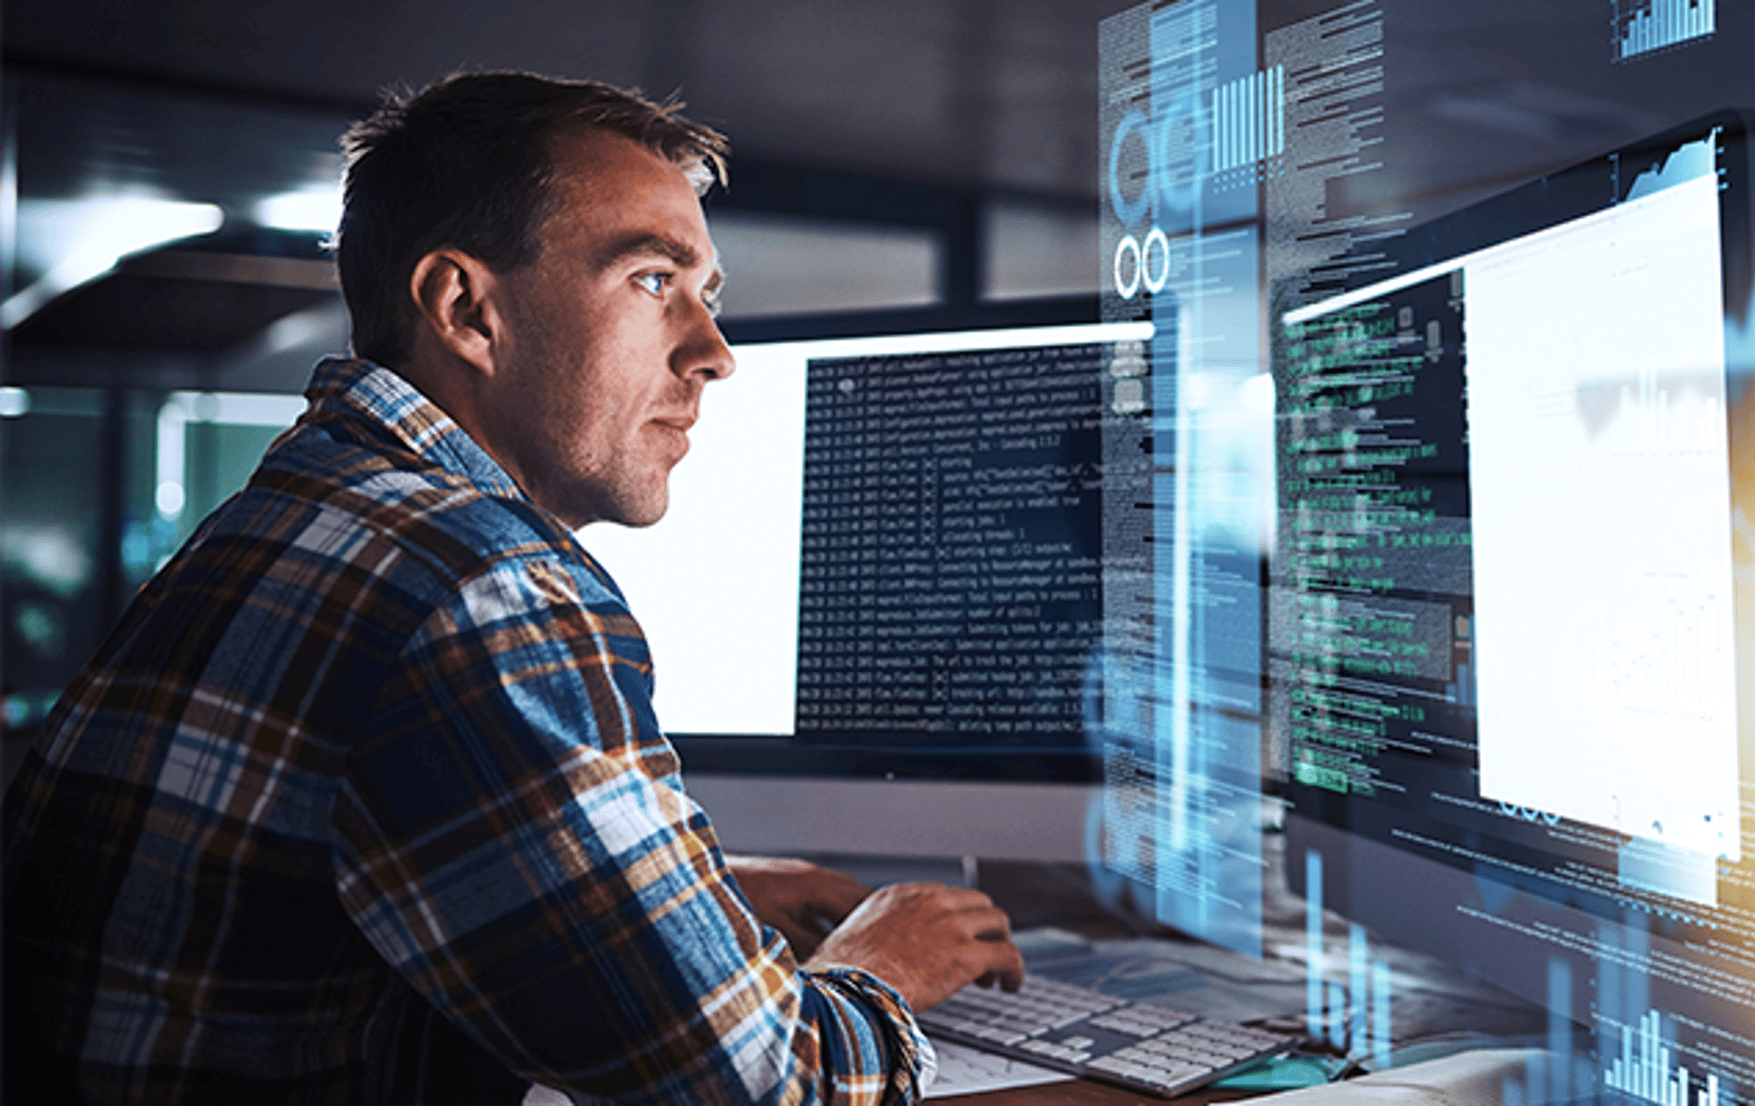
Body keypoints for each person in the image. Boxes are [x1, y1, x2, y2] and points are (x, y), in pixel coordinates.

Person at [3, 72, 1023, 1105]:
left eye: (706, 294)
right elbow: (764, 1086)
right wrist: (884, 960)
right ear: (466, 310)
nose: (715, 354)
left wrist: (688, 902)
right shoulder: (483, 582)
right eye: (651, 279)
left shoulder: (308, 508)